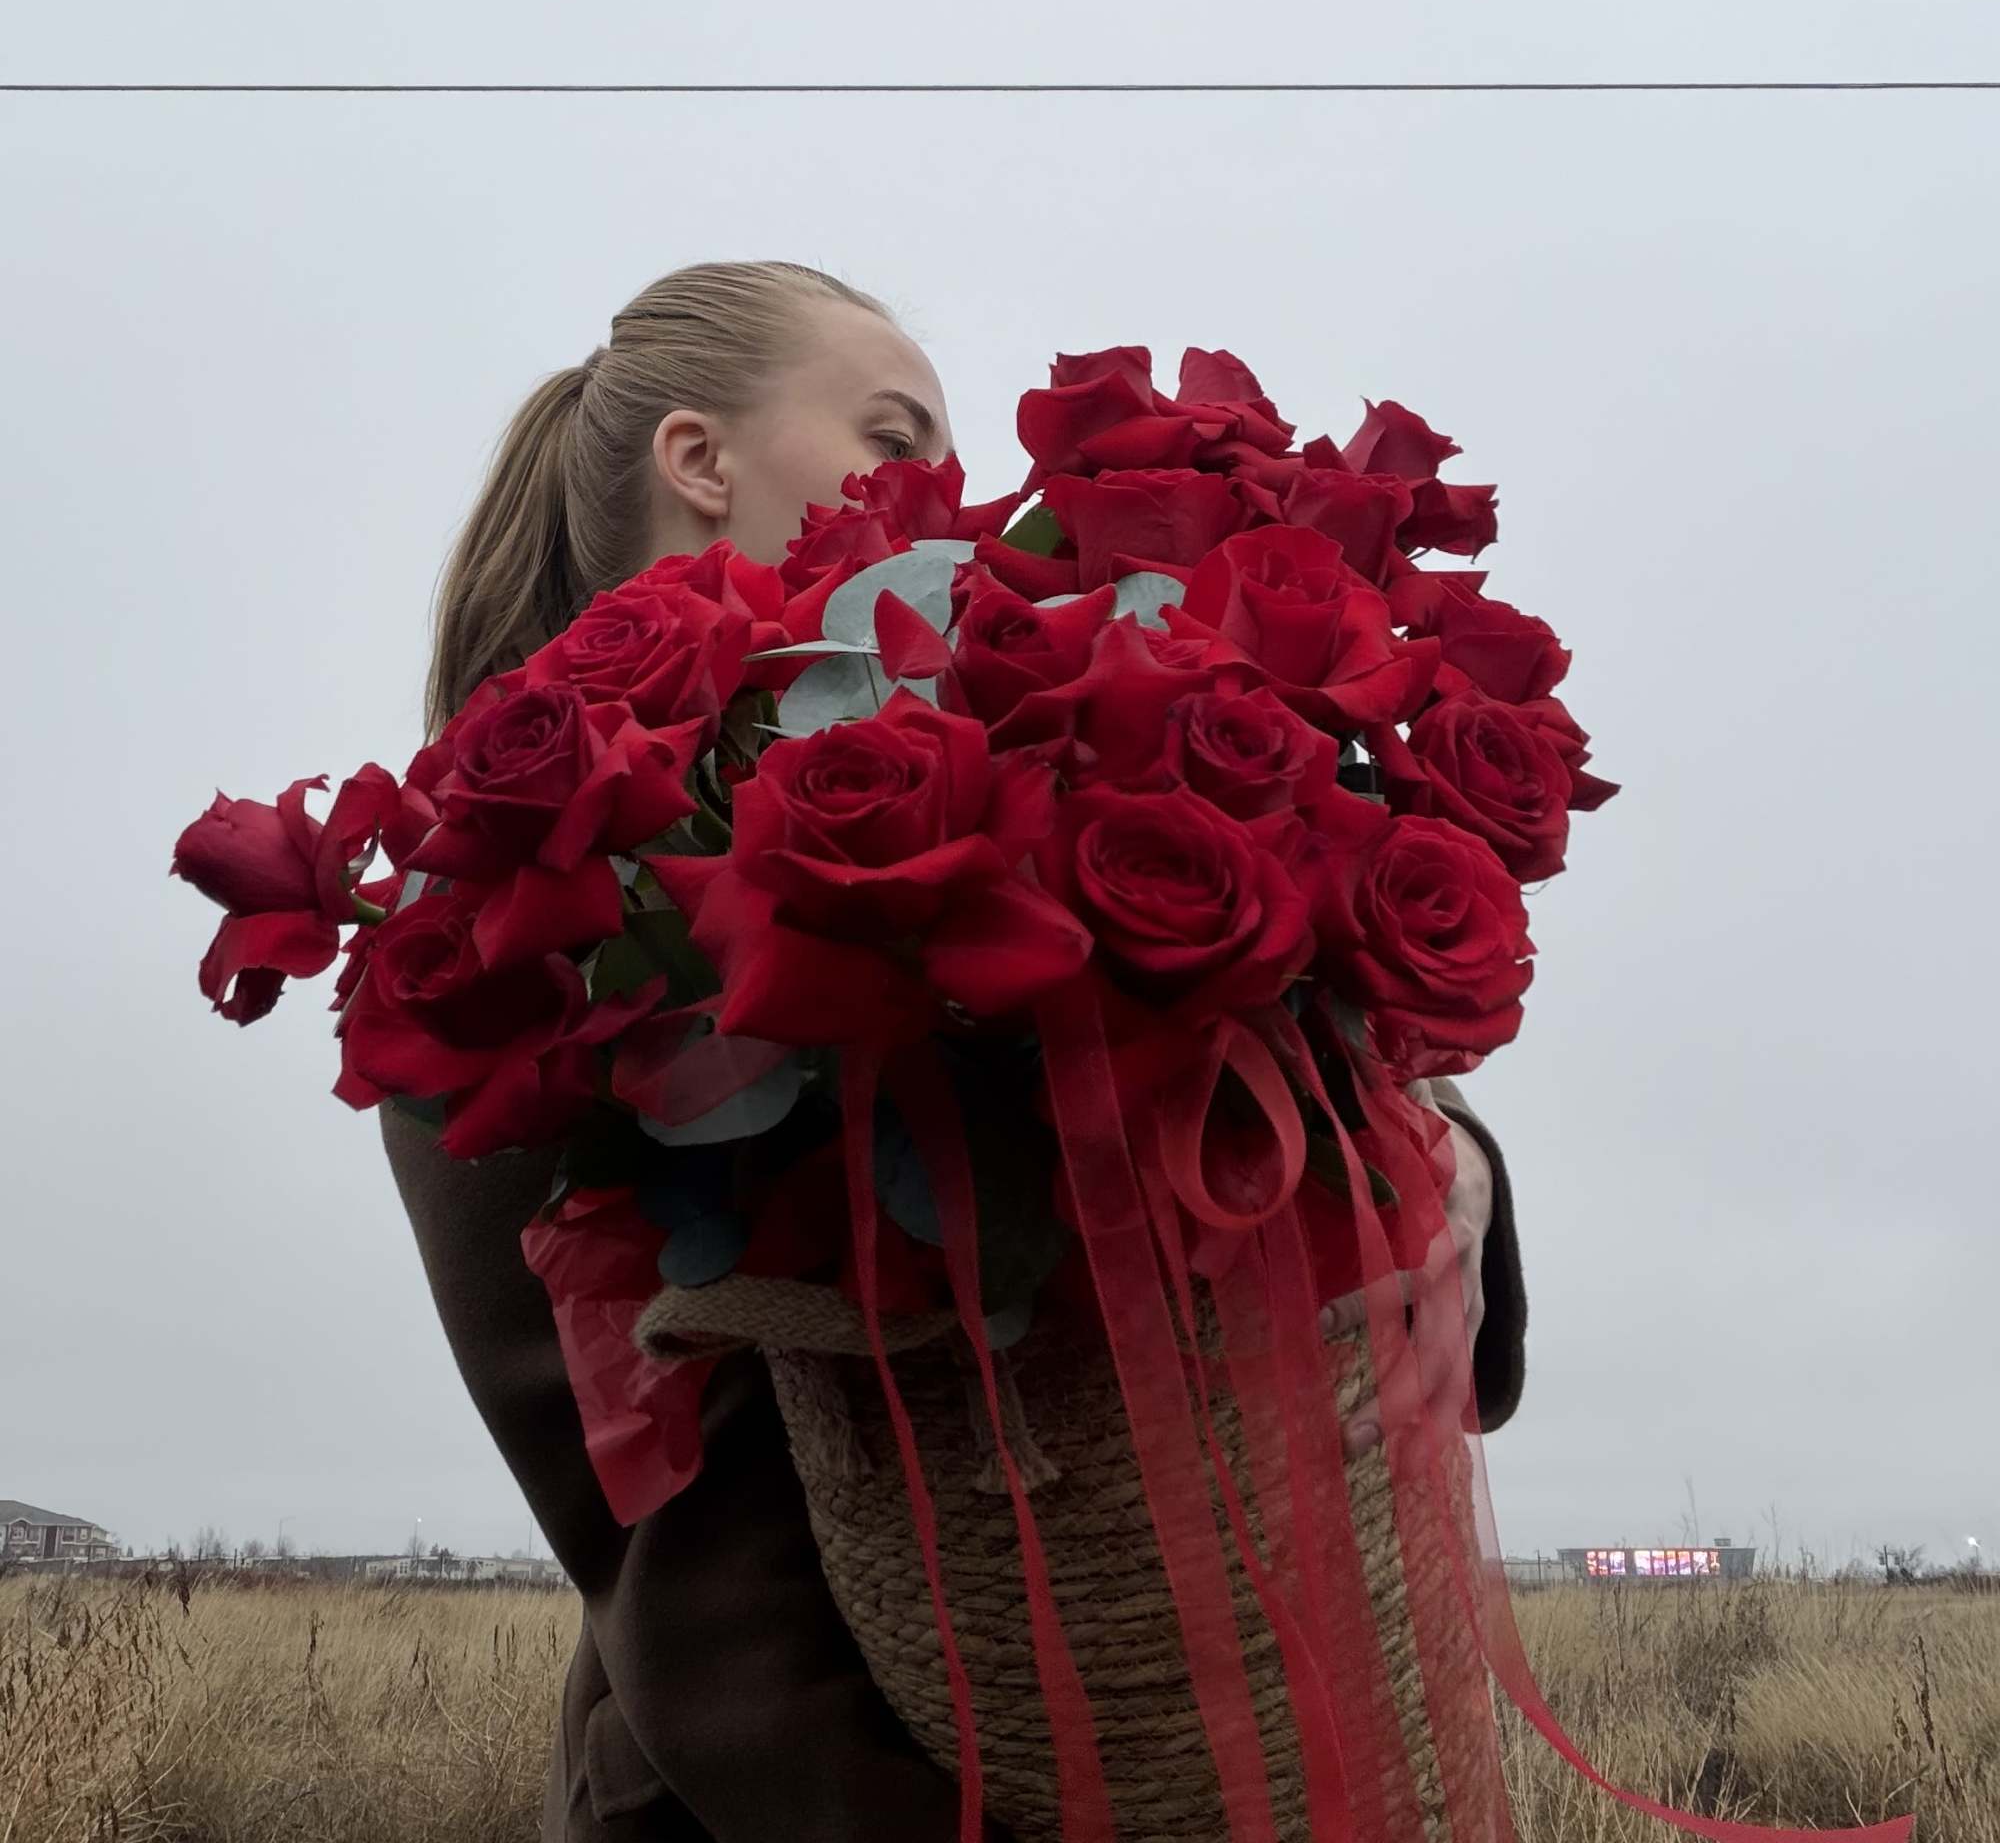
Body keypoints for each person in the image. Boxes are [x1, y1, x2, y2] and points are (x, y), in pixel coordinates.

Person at [377, 260, 1529, 1842]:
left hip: (1183, 1731)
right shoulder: (507, 910)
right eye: (891, 428)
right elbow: (677, 1557)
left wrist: (1442, 1157)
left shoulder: (998, 766)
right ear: (700, 461)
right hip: (775, 1800)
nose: (942, 484)